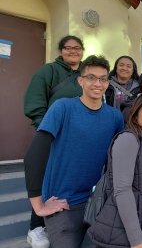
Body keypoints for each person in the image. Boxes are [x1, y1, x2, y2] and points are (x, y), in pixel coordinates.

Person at [24, 55, 124, 248]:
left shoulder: (114, 117)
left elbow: (118, 161)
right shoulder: (63, 108)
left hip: (97, 203)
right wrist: (38, 206)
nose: (98, 83)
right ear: (80, 80)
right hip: (63, 205)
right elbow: (34, 155)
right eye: (91, 77)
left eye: (103, 79)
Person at [23, 35, 84, 248]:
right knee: (45, 176)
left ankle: (59, 220)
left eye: (77, 48)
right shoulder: (47, 72)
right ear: (61, 51)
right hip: (53, 135)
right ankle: (36, 227)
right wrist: (47, 128)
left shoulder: (87, 74)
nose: (73, 51)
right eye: (68, 48)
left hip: (79, 138)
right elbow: (34, 103)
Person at [88, 92, 142, 247]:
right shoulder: (128, 139)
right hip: (124, 237)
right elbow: (122, 191)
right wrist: (137, 241)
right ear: (136, 115)